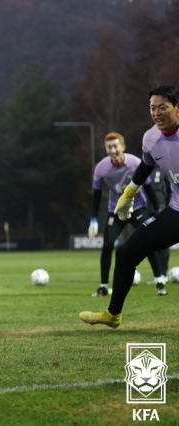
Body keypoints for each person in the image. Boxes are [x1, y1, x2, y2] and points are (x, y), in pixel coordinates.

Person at [80, 84, 179, 328]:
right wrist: (130, 192)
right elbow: (146, 165)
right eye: (152, 108)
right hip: (177, 211)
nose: (156, 113)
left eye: (163, 107)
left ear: (177, 109)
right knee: (125, 253)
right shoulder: (151, 138)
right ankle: (113, 314)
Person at [87, 132, 167, 297]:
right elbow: (96, 194)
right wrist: (94, 218)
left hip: (137, 207)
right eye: (109, 147)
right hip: (116, 210)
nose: (113, 150)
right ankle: (103, 286)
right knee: (108, 245)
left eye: (116, 146)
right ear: (106, 149)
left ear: (122, 147)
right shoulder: (101, 168)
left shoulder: (135, 163)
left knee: (148, 241)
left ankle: (159, 281)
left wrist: (158, 210)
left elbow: (149, 187)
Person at [145, 164, 172, 283]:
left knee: (163, 242)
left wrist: (168, 207)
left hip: (161, 209)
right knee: (150, 244)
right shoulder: (145, 170)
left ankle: (163, 274)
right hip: (147, 210)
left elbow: (171, 190)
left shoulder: (164, 170)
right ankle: (158, 276)